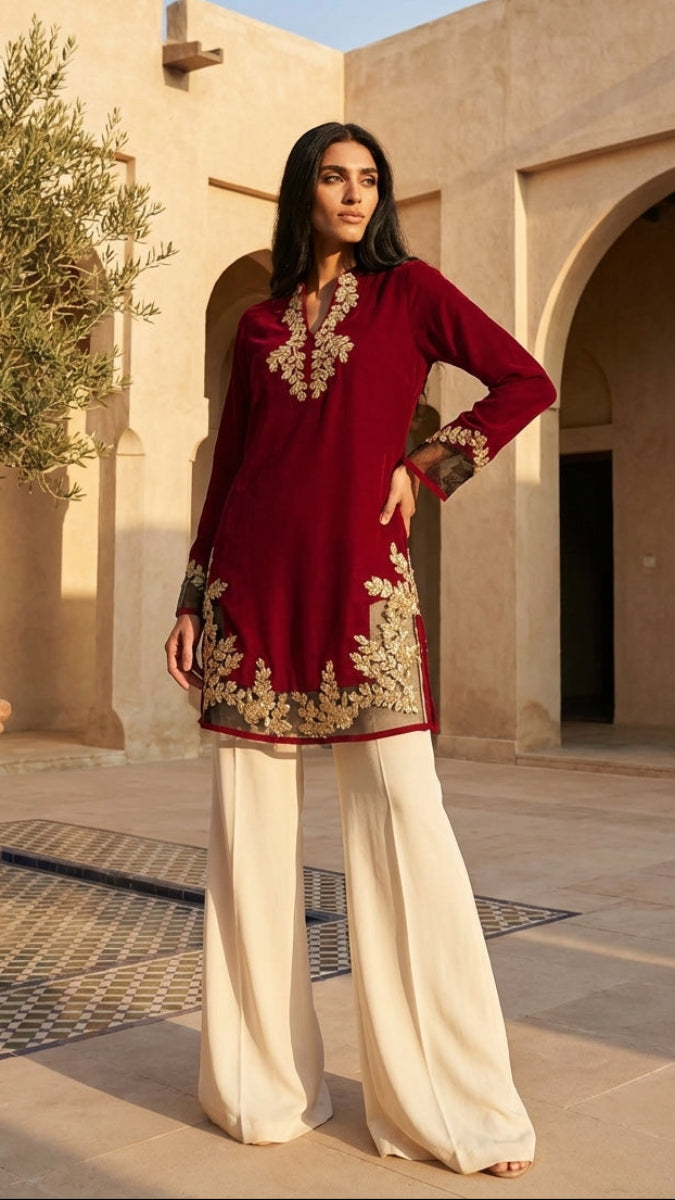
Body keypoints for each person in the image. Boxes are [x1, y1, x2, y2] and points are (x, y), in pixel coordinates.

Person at [164, 120, 556, 1179]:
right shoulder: (255, 327)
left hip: (364, 599)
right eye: (334, 178)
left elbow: (526, 382)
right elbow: (231, 468)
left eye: (368, 179)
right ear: (302, 193)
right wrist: (195, 595)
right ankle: (261, 1088)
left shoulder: (410, 294)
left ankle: (445, 1106)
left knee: (405, 829)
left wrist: (432, 466)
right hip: (252, 600)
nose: (353, 194)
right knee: (248, 845)